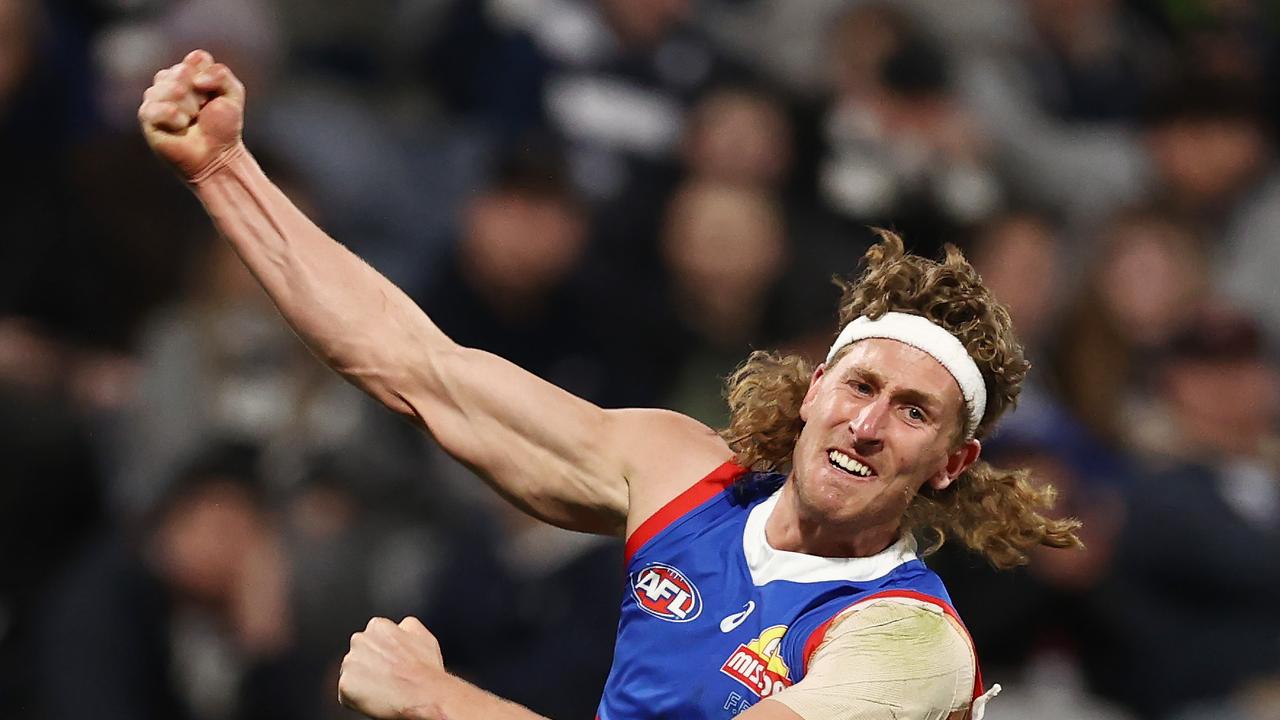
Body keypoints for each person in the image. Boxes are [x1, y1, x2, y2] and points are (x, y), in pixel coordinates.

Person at [138, 50, 1081, 720]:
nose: (868, 423)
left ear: (952, 464)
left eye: (913, 413)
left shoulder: (907, 641)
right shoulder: (679, 476)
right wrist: (222, 169)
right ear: (813, 389)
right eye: (861, 385)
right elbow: (418, 367)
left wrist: (438, 701)